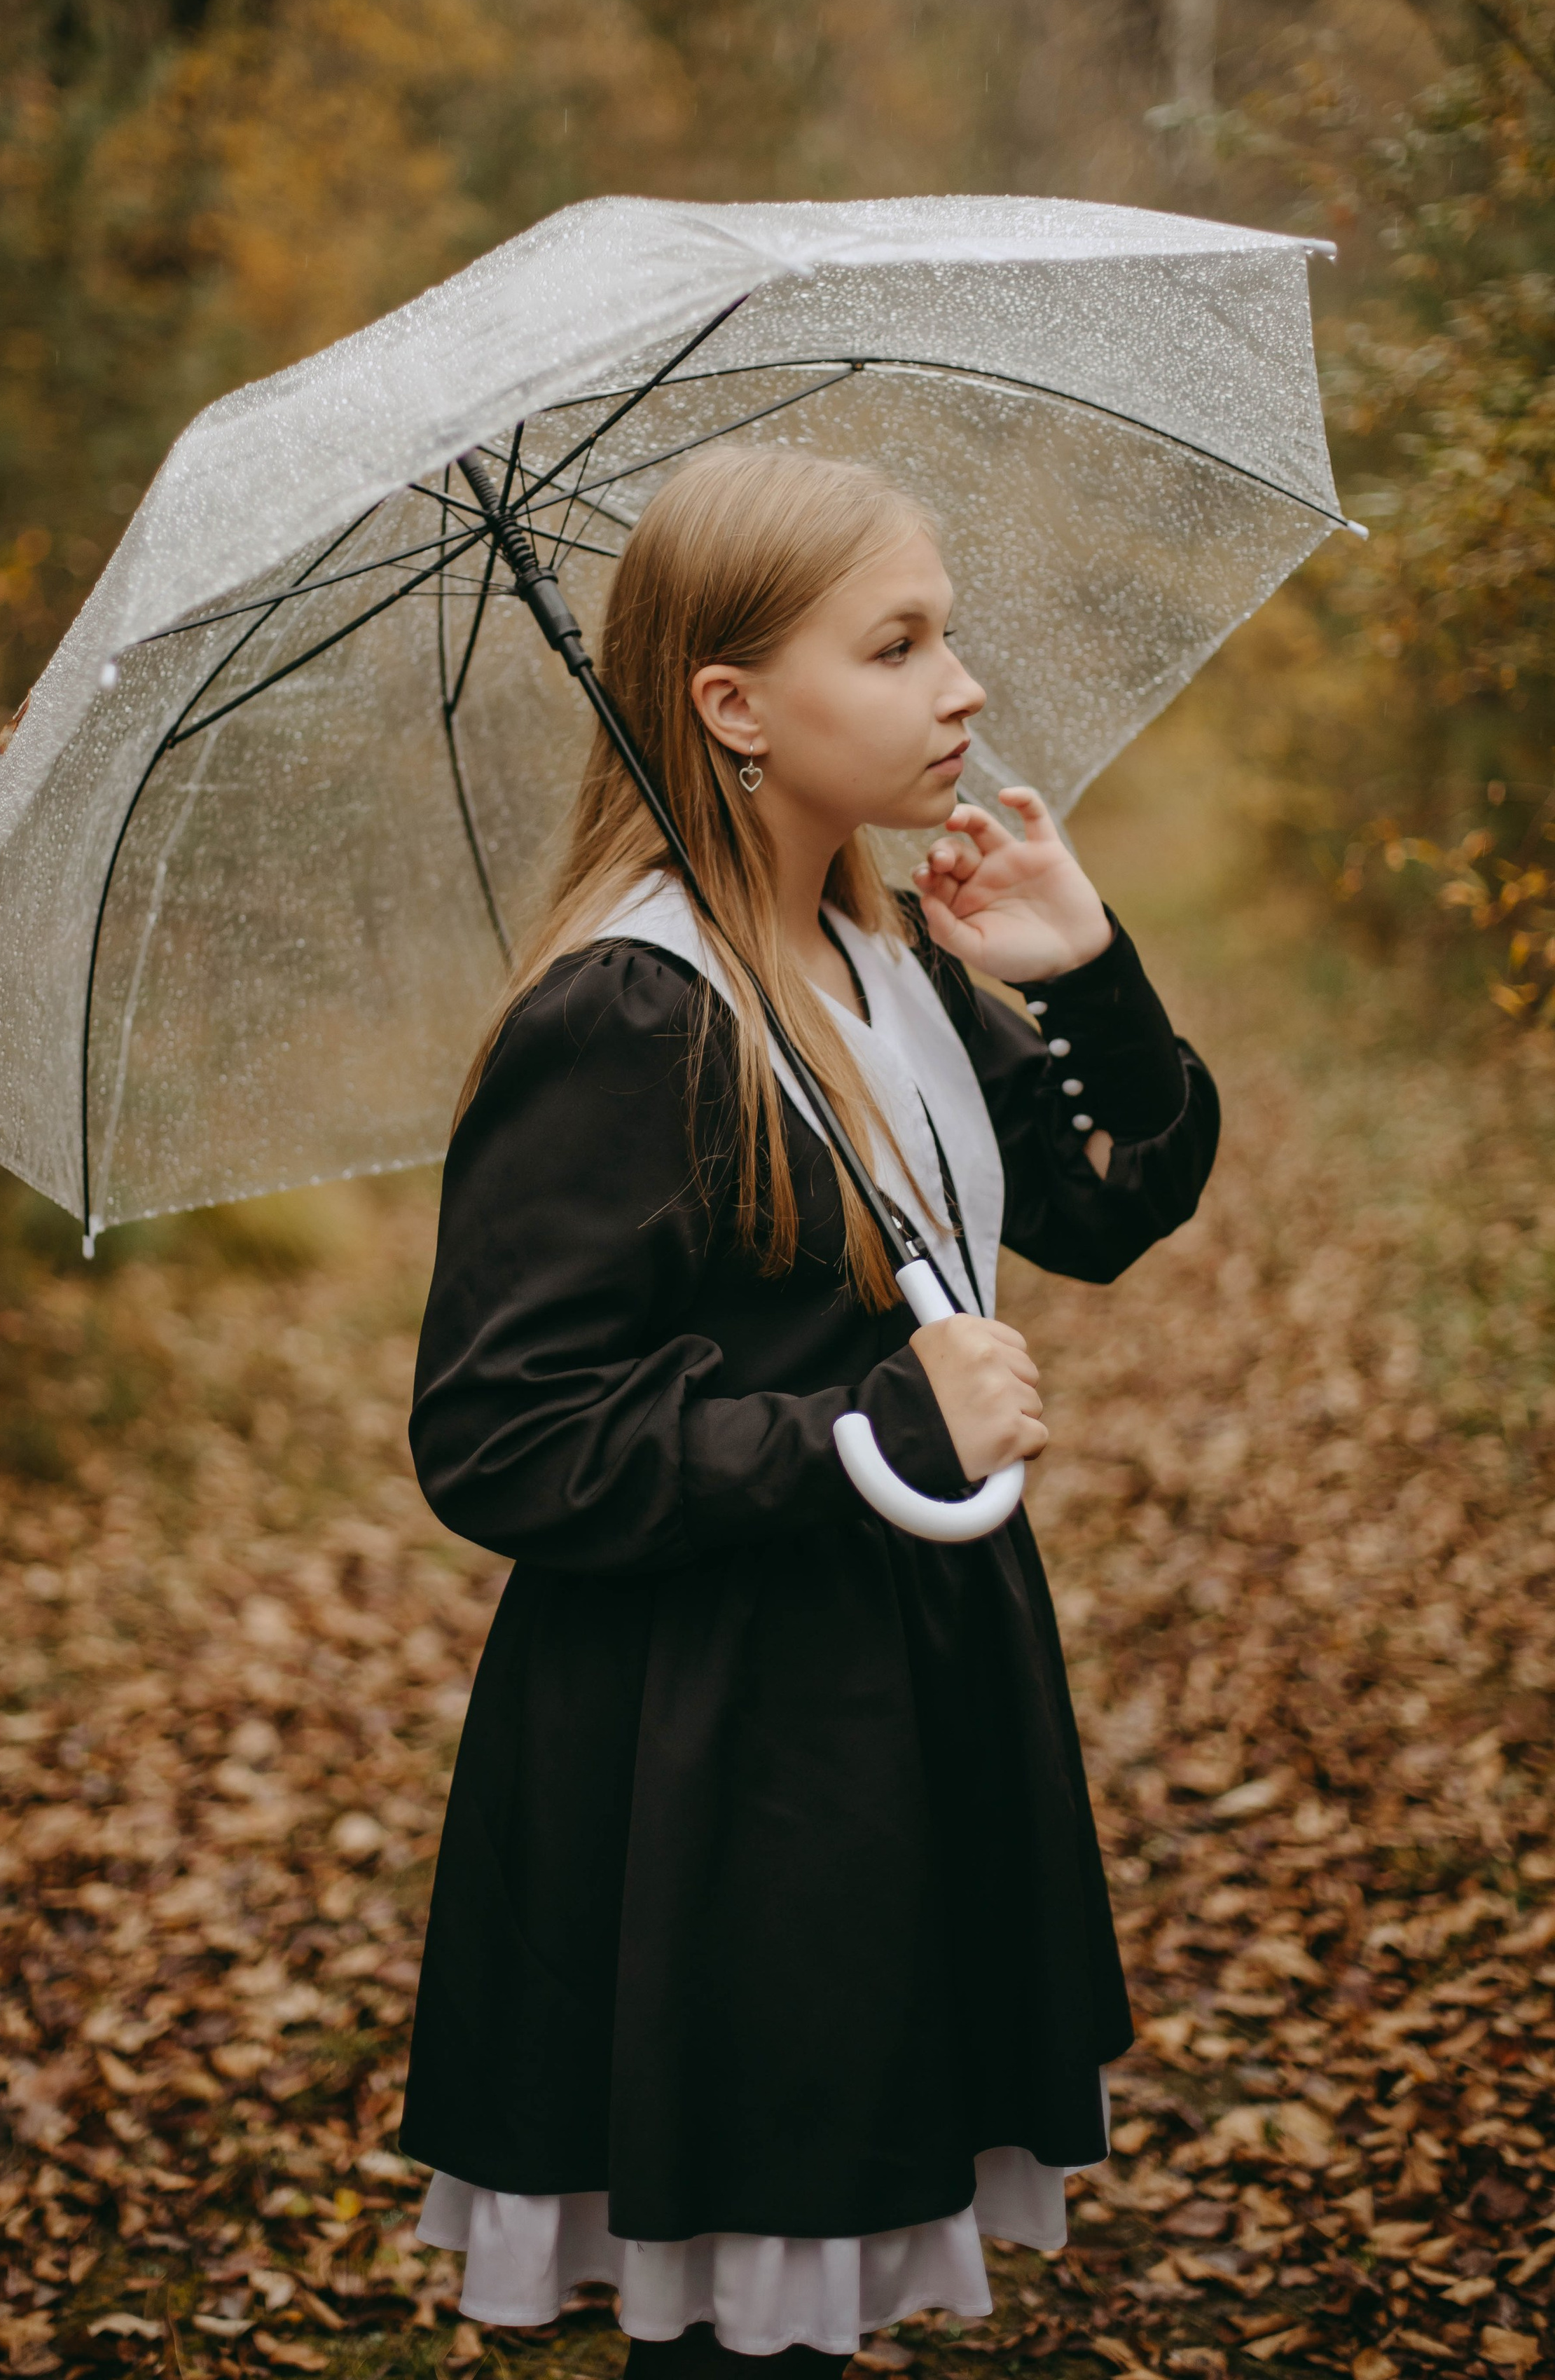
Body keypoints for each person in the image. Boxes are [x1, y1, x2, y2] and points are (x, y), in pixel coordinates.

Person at [401, 448, 1217, 2376]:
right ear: (734, 706)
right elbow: (499, 1431)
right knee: (746, 2259)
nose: (964, 689)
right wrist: (868, 1426)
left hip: (899, 1669)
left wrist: (1083, 974)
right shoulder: (631, 1011)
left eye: (949, 636)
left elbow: (1110, 1199)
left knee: (838, 2217)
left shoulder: (873, 957)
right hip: (722, 1731)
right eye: (902, 644)